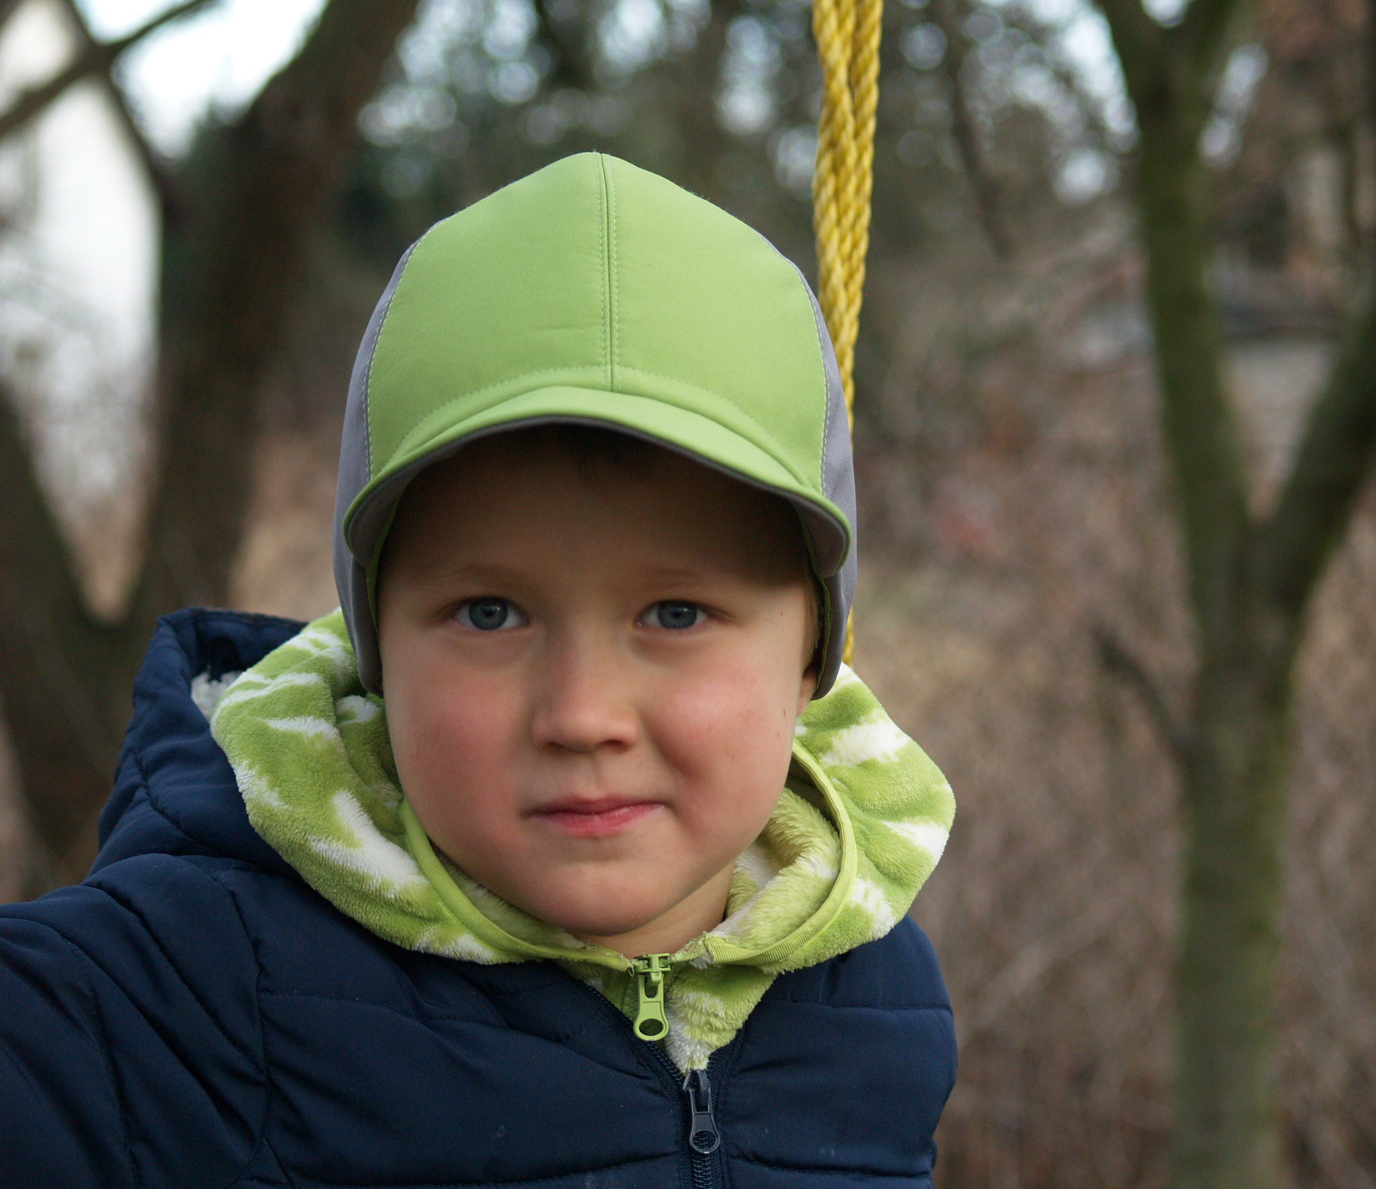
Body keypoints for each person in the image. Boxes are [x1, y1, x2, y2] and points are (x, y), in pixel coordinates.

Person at [0, 152, 957, 1188]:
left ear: (810, 658)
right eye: (490, 614)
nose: (582, 715)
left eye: (676, 614)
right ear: (378, 651)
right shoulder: (179, 989)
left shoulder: (874, 991)